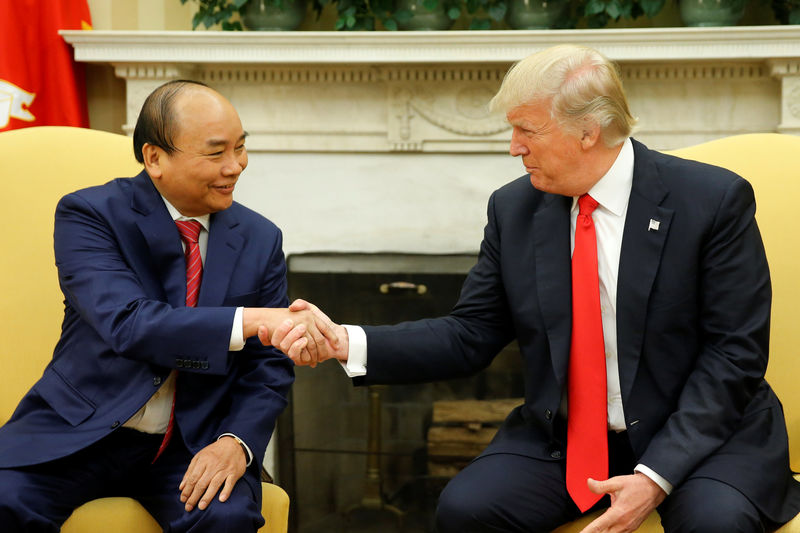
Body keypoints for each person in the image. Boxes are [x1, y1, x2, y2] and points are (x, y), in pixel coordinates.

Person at [270, 45, 800, 532]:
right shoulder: (515, 209)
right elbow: (469, 333)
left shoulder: (711, 201)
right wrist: (346, 340)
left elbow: (734, 356)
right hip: (571, 440)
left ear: (588, 133)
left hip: (705, 434)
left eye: (527, 130)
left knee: (716, 523)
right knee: (465, 511)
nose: (513, 147)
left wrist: (655, 475)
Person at [0, 80, 337, 532]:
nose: (236, 166)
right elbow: (129, 323)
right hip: (82, 430)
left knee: (227, 517)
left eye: (241, 148)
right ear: (154, 157)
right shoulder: (90, 215)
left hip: (191, 443)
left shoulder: (259, 238)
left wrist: (235, 443)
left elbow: (268, 368)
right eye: (216, 153)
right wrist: (256, 320)